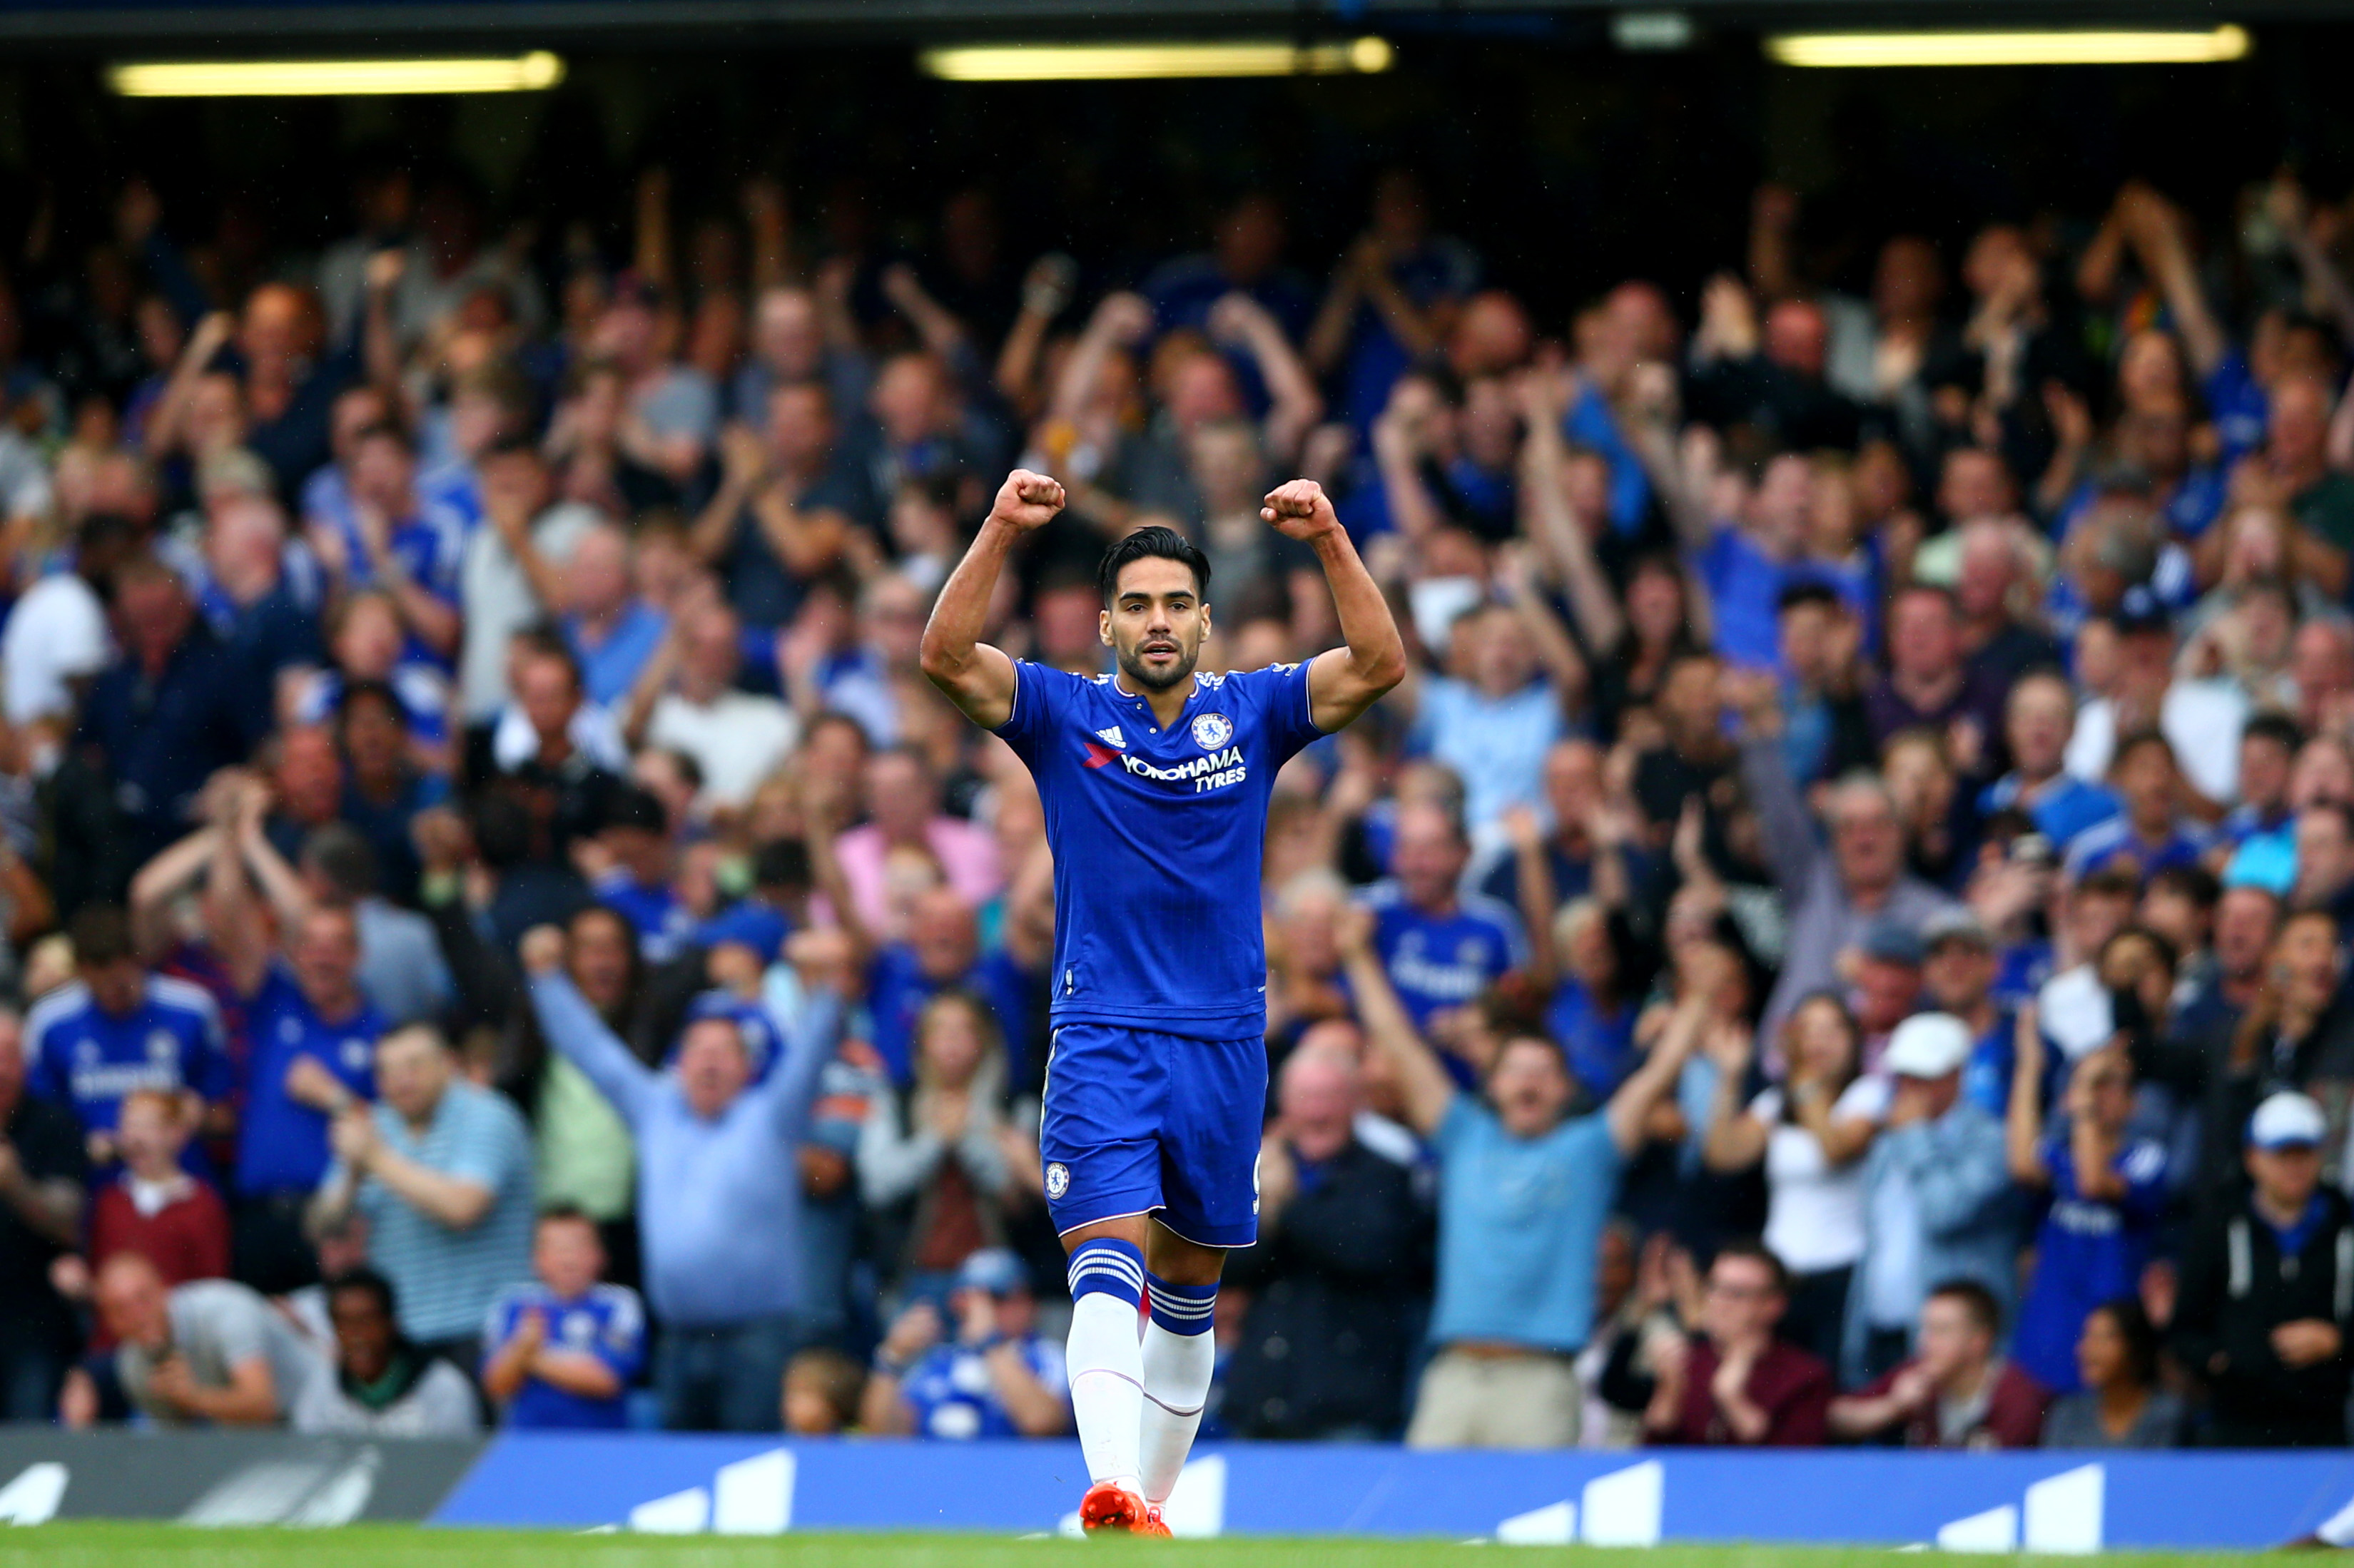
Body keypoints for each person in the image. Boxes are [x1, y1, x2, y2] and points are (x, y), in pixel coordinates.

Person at [917, 471, 1404, 1533]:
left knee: (1188, 1280)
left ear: (1203, 619)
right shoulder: (1062, 711)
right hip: (1102, 1035)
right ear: (1104, 624)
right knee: (1107, 1252)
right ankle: (1108, 1489)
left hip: (1224, 1043)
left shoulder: (1256, 709)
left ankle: (1142, 1513)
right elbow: (945, 657)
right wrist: (997, 526)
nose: (1156, 620)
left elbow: (1377, 663)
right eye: (1135, 604)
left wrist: (1328, 537)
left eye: (1175, 602)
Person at [1344, 904, 1703, 1449]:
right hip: (1453, 1373)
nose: (1528, 1083)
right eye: (1515, 1071)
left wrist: (1699, 992)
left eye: (1543, 1073)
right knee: (1416, 1527)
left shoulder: (1589, 1149)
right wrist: (1355, 955)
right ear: (1490, 1085)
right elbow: (1395, 1038)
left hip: (1542, 1379)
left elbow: (1660, 1071)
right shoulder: (1464, 1132)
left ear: (1565, 1090)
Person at [522, 922, 846, 1433]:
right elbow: (592, 1052)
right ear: (679, 1064)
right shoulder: (655, 1111)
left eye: (725, 1052)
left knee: (747, 1477)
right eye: (699, 1050)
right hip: (678, 1337)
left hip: (756, 1338)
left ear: (746, 1068)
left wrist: (830, 989)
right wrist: (547, 981)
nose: (711, 1062)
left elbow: (809, 1056)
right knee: (679, 1489)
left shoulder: (772, 1118)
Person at [1223, 1037, 1432, 1440]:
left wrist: (1286, 1205)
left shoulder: (1385, 1176)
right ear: (1285, 1104)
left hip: (1345, 1414)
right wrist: (1261, 1207)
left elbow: (1364, 1251)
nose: (1317, 1111)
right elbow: (1226, 1270)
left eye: (1330, 1097)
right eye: (1305, 1097)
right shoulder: (1259, 1173)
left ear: (1356, 1103)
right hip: (1257, 1408)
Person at [308, 1024, 535, 1365]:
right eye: (387, 1070)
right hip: (402, 1334)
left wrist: (375, 1158)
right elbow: (320, 1229)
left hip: (485, 1330)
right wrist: (353, 1178)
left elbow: (462, 1208)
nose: (401, 1080)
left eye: (414, 1065)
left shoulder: (488, 1115)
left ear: (449, 1064)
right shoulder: (376, 1125)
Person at [1699, 992, 1886, 1370]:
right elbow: (1723, 1154)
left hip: (1840, 1272)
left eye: (1832, 1031)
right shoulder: (1776, 1102)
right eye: (1809, 1030)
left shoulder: (1867, 1095)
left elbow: (1834, 1150)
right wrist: (1730, 1077)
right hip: (1778, 1276)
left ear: (1853, 1041)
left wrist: (1804, 1082)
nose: (1819, 1042)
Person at [2172, 1090, 2354, 1447]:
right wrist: (2223, 1362)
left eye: (2304, 1152)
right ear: (2253, 1157)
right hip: (2237, 1425)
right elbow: (2185, 1327)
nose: (2295, 1165)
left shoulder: (2346, 1224)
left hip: (2326, 1423)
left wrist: (2338, 1341)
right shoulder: (2219, 1226)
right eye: (2282, 1153)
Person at [1845, 1012, 2014, 1385]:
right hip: (1878, 1324)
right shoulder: (1891, 1137)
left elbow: (1944, 1211)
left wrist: (1917, 1135)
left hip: (1947, 1340)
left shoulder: (1990, 1139)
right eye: (1904, 1075)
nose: (1910, 1087)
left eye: (1923, 1077)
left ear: (1956, 1074)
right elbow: (1876, 1235)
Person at [2006, 1017, 2169, 1395]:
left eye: (2112, 1086)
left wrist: (2082, 1105)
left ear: (2134, 1103)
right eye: (2094, 1084)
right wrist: (2030, 1069)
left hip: (2111, 1351)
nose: (2099, 1096)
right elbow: (2021, 1165)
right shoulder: (2060, 1158)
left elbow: (2093, 1183)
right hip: (2047, 1340)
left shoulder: (2146, 1159)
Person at [66, 1251, 320, 1428]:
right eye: (120, 1310)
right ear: (108, 1322)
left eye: (143, 1299)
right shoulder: (133, 1366)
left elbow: (262, 1404)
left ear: (165, 1289)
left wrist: (195, 1398)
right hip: (258, 1437)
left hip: (324, 1413)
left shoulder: (226, 1309)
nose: (137, 1316)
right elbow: (179, 1448)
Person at [861, 1246, 1071, 1440]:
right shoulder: (938, 1361)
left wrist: (990, 1343)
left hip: (1013, 1476)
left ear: (1027, 1302)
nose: (977, 1308)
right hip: (936, 1475)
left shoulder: (1046, 1356)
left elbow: (1044, 1424)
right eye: (967, 1296)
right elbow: (884, 1436)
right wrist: (892, 1358)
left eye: (995, 1297)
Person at [1642, 1241, 1833, 1447]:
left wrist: (1733, 1400)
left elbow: (1798, 1466)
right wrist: (1668, 1395)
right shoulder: (1688, 1362)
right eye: (1714, 1287)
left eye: (1737, 1293)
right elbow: (1651, 1460)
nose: (1720, 1302)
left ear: (1774, 1305)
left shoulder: (1805, 1375)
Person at [1829, 1279, 2049, 1450]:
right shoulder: (1918, 1375)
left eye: (1941, 1331)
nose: (1925, 1341)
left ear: (1979, 1340)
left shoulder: (2016, 1395)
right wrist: (1894, 1406)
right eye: (1925, 1329)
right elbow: (1835, 1417)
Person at [480, 1206, 646, 1429]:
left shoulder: (619, 1303)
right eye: (558, 1249)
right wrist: (525, 1350)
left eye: (579, 1247)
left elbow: (607, 1379)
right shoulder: (513, 1304)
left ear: (601, 1255)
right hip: (529, 1446)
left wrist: (527, 1354)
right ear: (537, 1259)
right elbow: (495, 1385)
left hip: (602, 1445)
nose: (569, 1259)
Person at [0, 1007, 87, 1420]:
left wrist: (15, 1183)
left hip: (31, 1317)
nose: (1, 1070)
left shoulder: (54, 1125)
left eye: (10, 1056)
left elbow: (68, 1222)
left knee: (25, 1430)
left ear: (26, 1064)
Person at [290, 1266, 482, 1436]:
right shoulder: (322, 1389)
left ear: (391, 1323)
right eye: (344, 1322)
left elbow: (459, 1467)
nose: (356, 1335)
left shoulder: (442, 1387)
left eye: (367, 1320)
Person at [2042, 1298, 2184, 1449]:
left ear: (2136, 1348)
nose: (2088, 1350)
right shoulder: (2067, 1415)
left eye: (2103, 1338)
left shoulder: (2167, 1415)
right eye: (2087, 1336)